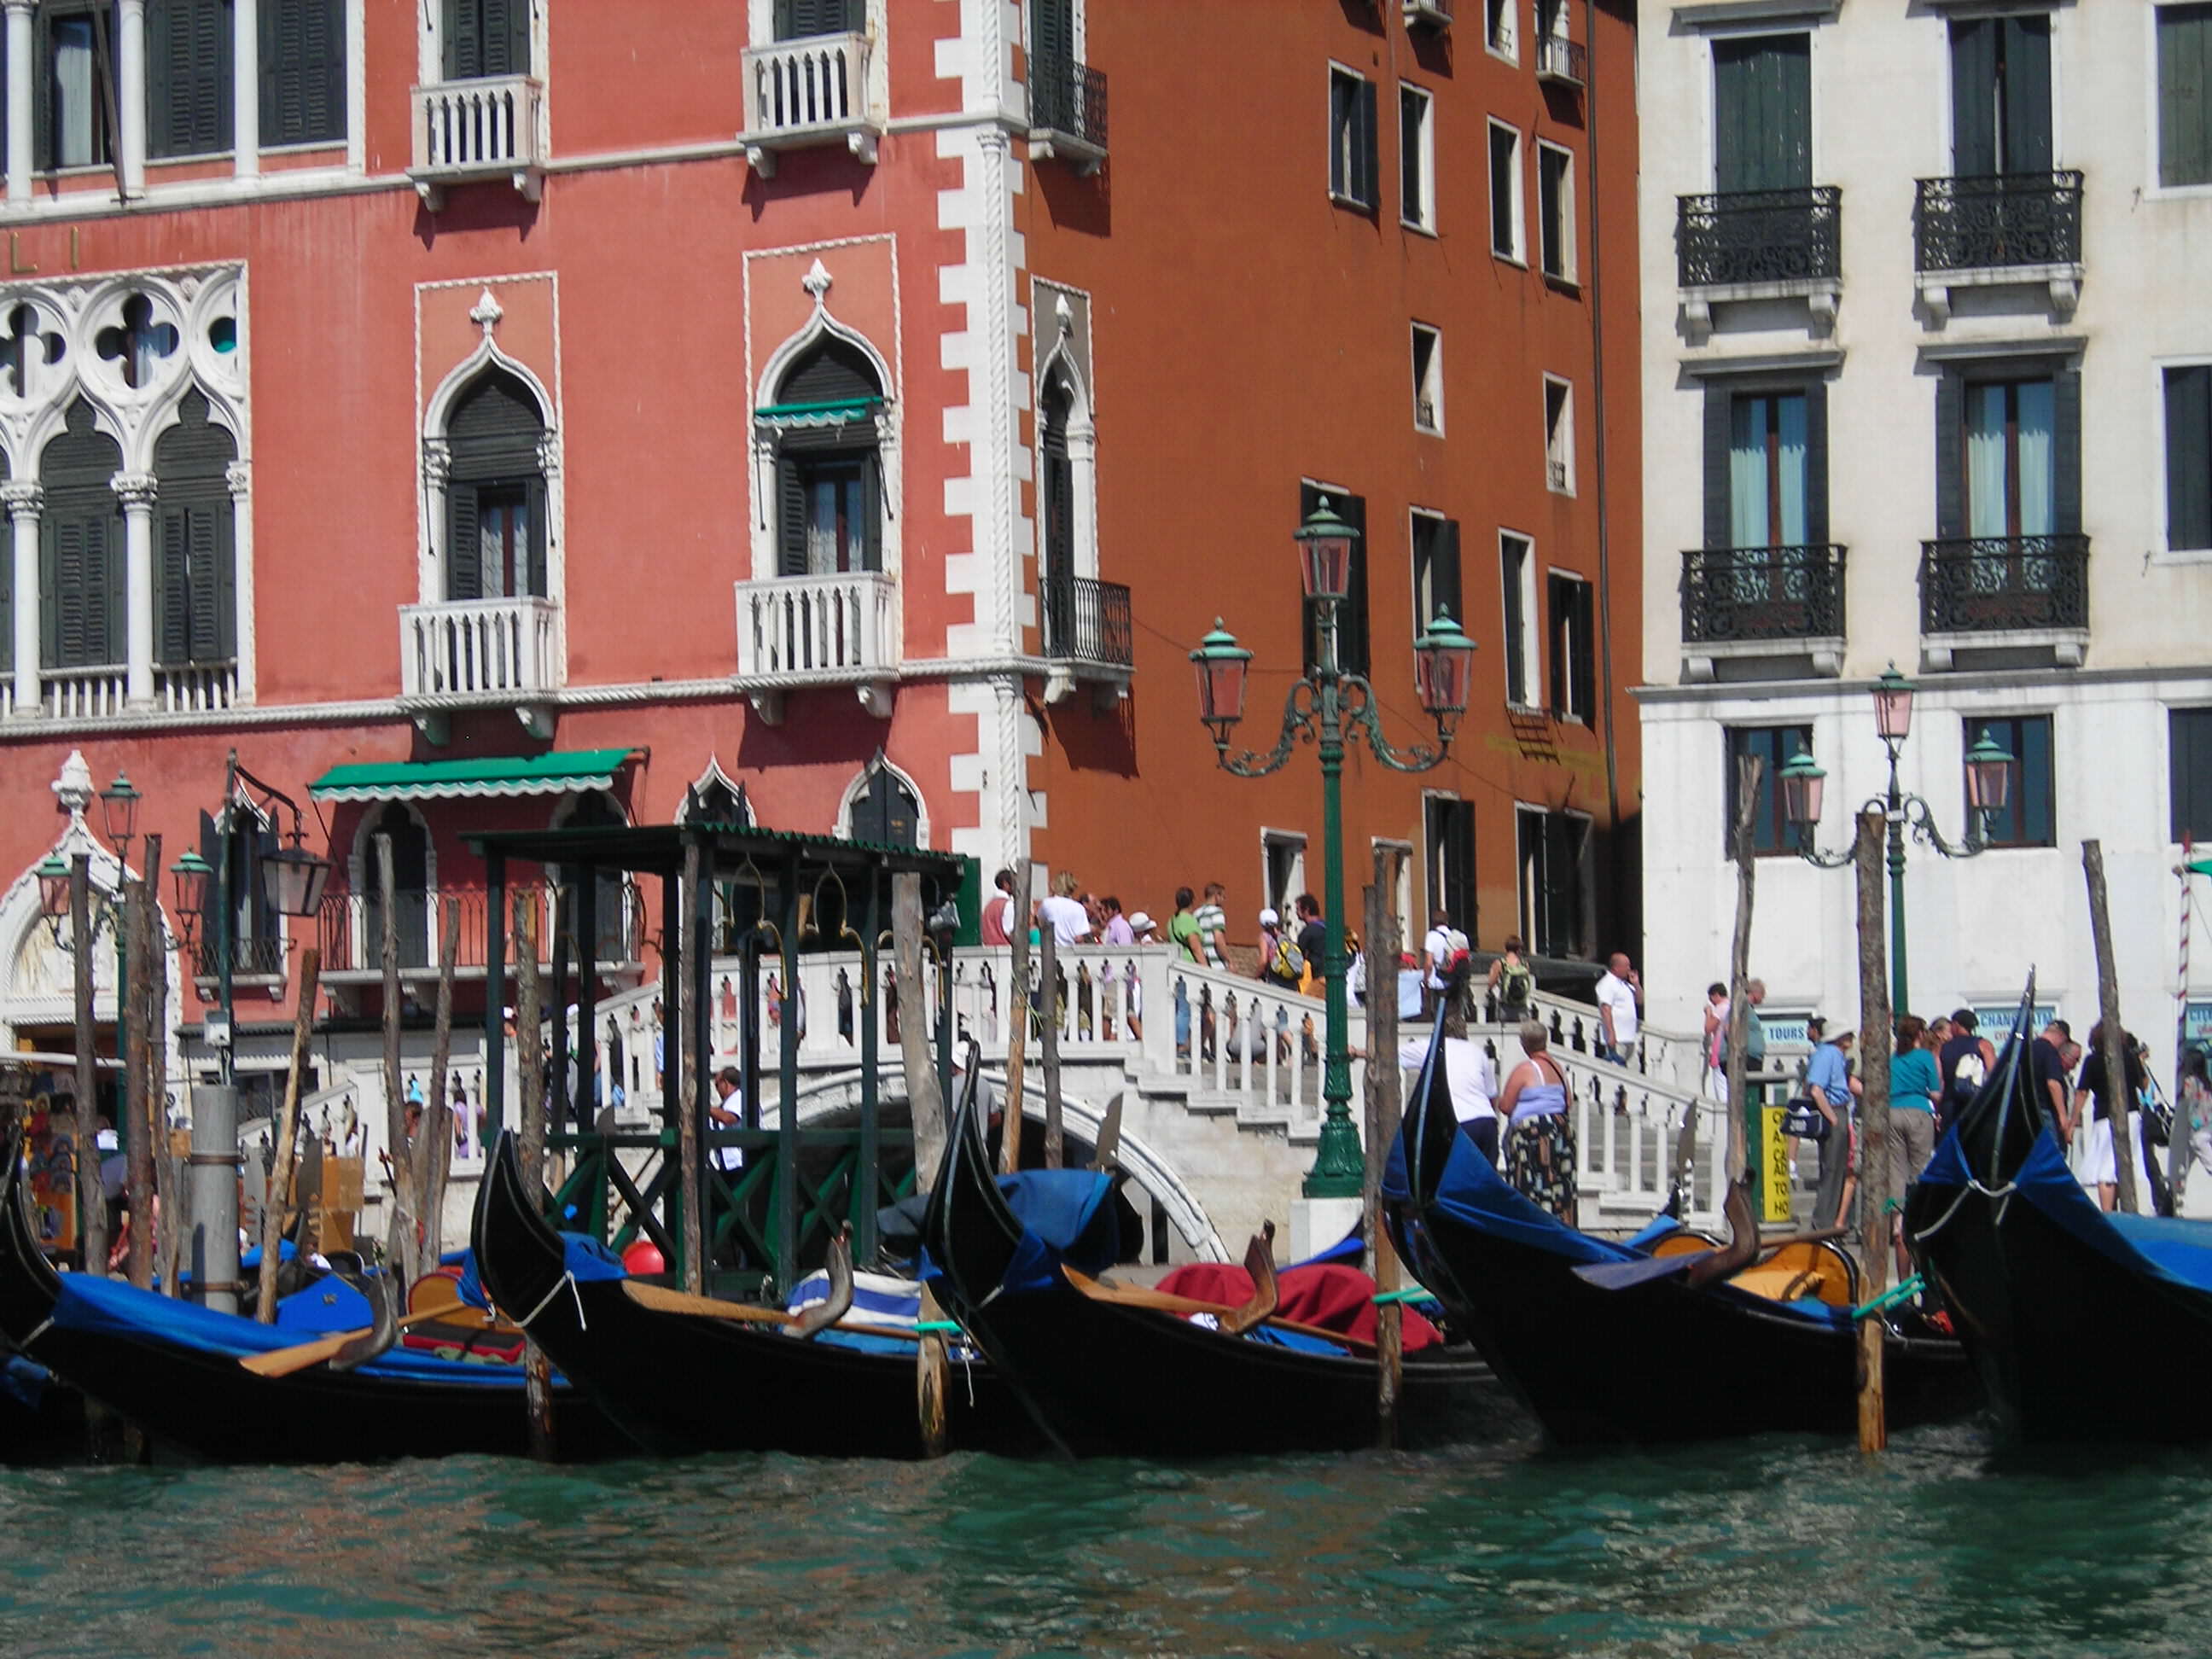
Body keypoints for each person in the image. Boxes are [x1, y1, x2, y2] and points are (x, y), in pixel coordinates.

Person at [1394, 992, 1501, 1166]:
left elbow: (1391, 1055)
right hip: (1486, 1122)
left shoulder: (1433, 1048)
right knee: (1487, 1180)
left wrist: (1357, 1052)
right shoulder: (1477, 1052)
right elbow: (1492, 1095)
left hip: (1458, 1123)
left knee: (1454, 1178)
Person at [1499, 1020, 1577, 1223]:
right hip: (1560, 1131)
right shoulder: (1558, 1068)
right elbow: (1568, 1101)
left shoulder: (1525, 1069)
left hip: (1533, 1134)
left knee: (1529, 1184)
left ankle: (1529, 1225)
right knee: (1558, 1184)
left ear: (1524, 1043)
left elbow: (1506, 1106)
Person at [1888, 1016, 1941, 1279]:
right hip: (1918, 1112)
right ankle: (1920, 1217)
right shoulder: (1925, 1057)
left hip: (1891, 1113)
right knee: (1920, 1170)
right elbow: (1936, 1093)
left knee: (1896, 1171)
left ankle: (1898, 1221)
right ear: (1920, 1033)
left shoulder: (1892, 1059)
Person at [2073, 1024, 2148, 1212]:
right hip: (2131, 1115)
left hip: (2105, 1116)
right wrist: (2141, 1062)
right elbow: (2144, 1085)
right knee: (2124, 1165)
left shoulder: (2093, 1061)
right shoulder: (2130, 1059)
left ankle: (2108, 1213)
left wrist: (2073, 1119)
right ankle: (2125, 1208)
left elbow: (2082, 1092)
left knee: (2105, 1170)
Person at [1806, 1026, 1860, 1230]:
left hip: (1839, 1110)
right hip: (1834, 1111)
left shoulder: (1834, 1055)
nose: (1851, 1038)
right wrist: (1833, 1118)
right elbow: (1816, 1089)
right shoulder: (1827, 1054)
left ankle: (1834, 1220)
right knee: (1832, 1169)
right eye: (1847, 1034)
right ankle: (1824, 1222)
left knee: (1838, 1169)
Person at [1939, 1009, 1998, 1128]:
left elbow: (1940, 1080)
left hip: (1951, 1104)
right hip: (1977, 1104)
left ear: (1956, 1025)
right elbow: (1993, 1074)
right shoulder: (1983, 1045)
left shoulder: (1943, 1048)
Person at [1594, 952, 1640, 1066]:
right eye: (1626, 966)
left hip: (1629, 1037)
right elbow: (1606, 1009)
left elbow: (1640, 1001)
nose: (1629, 969)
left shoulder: (1626, 985)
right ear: (1616, 967)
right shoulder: (1607, 983)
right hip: (1618, 1039)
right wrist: (1611, 1034)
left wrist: (1636, 984)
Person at [2033, 1017, 2074, 1143]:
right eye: (2065, 1042)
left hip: (2028, 1110)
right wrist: (2062, 1116)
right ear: (2061, 1035)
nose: (2062, 1046)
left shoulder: (2029, 1048)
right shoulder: (2050, 1051)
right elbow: (2053, 1083)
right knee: (2051, 1154)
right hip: (2045, 1111)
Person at [1487, 935, 1535, 1023]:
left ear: (1506, 948)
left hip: (1506, 1006)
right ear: (1519, 949)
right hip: (1522, 1006)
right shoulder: (1524, 964)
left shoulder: (1500, 963)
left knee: (1505, 1034)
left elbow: (1490, 984)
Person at [707, 1065, 746, 1172]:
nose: (717, 1090)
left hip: (738, 1163)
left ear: (725, 1083)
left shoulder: (739, 1097)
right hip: (726, 1165)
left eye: (717, 1085)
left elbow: (729, 1118)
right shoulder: (726, 1104)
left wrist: (705, 1108)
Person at [1037, 872, 1092, 947]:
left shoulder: (1047, 903)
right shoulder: (1079, 908)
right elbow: (1080, 937)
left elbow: (1040, 921)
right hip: (1072, 953)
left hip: (1051, 950)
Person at [1701, 981, 1731, 1100]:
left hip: (1720, 1049)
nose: (1711, 1002)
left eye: (1711, 998)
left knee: (1721, 1086)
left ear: (1716, 995)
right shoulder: (1732, 1006)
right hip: (1731, 1050)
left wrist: (1708, 1014)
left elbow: (1709, 1028)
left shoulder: (1721, 1008)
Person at [1259, 906, 1302, 988]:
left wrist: (1254, 977)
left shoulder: (1264, 937)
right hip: (1291, 980)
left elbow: (1263, 961)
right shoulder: (1285, 936)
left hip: (1276, 980)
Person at [1293, 894, 1327, 997]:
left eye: (1298, 909)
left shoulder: (1308, 932)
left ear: (1306, 910)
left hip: (1320, 979)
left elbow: (1297, 957)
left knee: (1306, 1005)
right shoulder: (1327, 927)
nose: (1296, 912)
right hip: (1336, 978)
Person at [1193, 882, 1229, 969]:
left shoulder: (1196, 913)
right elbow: (1218, 939)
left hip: (1201, 961)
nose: (1224, 900)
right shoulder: (1217, 912)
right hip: (1216, 963)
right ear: (1217, 896)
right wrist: (1228, 960)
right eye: (1223, 897)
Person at [981, 868, 1018, 946]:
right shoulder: (1008, 905)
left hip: (989, 950)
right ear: (1006, 884)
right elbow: (1009, 932)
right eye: (1015, 882)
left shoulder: (988, 906)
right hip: (1005, 950)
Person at [1169, 887, 1203, 964]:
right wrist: (1206, 968)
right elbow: (1195, 947)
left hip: (1176, 961)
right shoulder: (1187, 919)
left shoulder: (1171, 920)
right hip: (1190, 964)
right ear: (1192, 901)